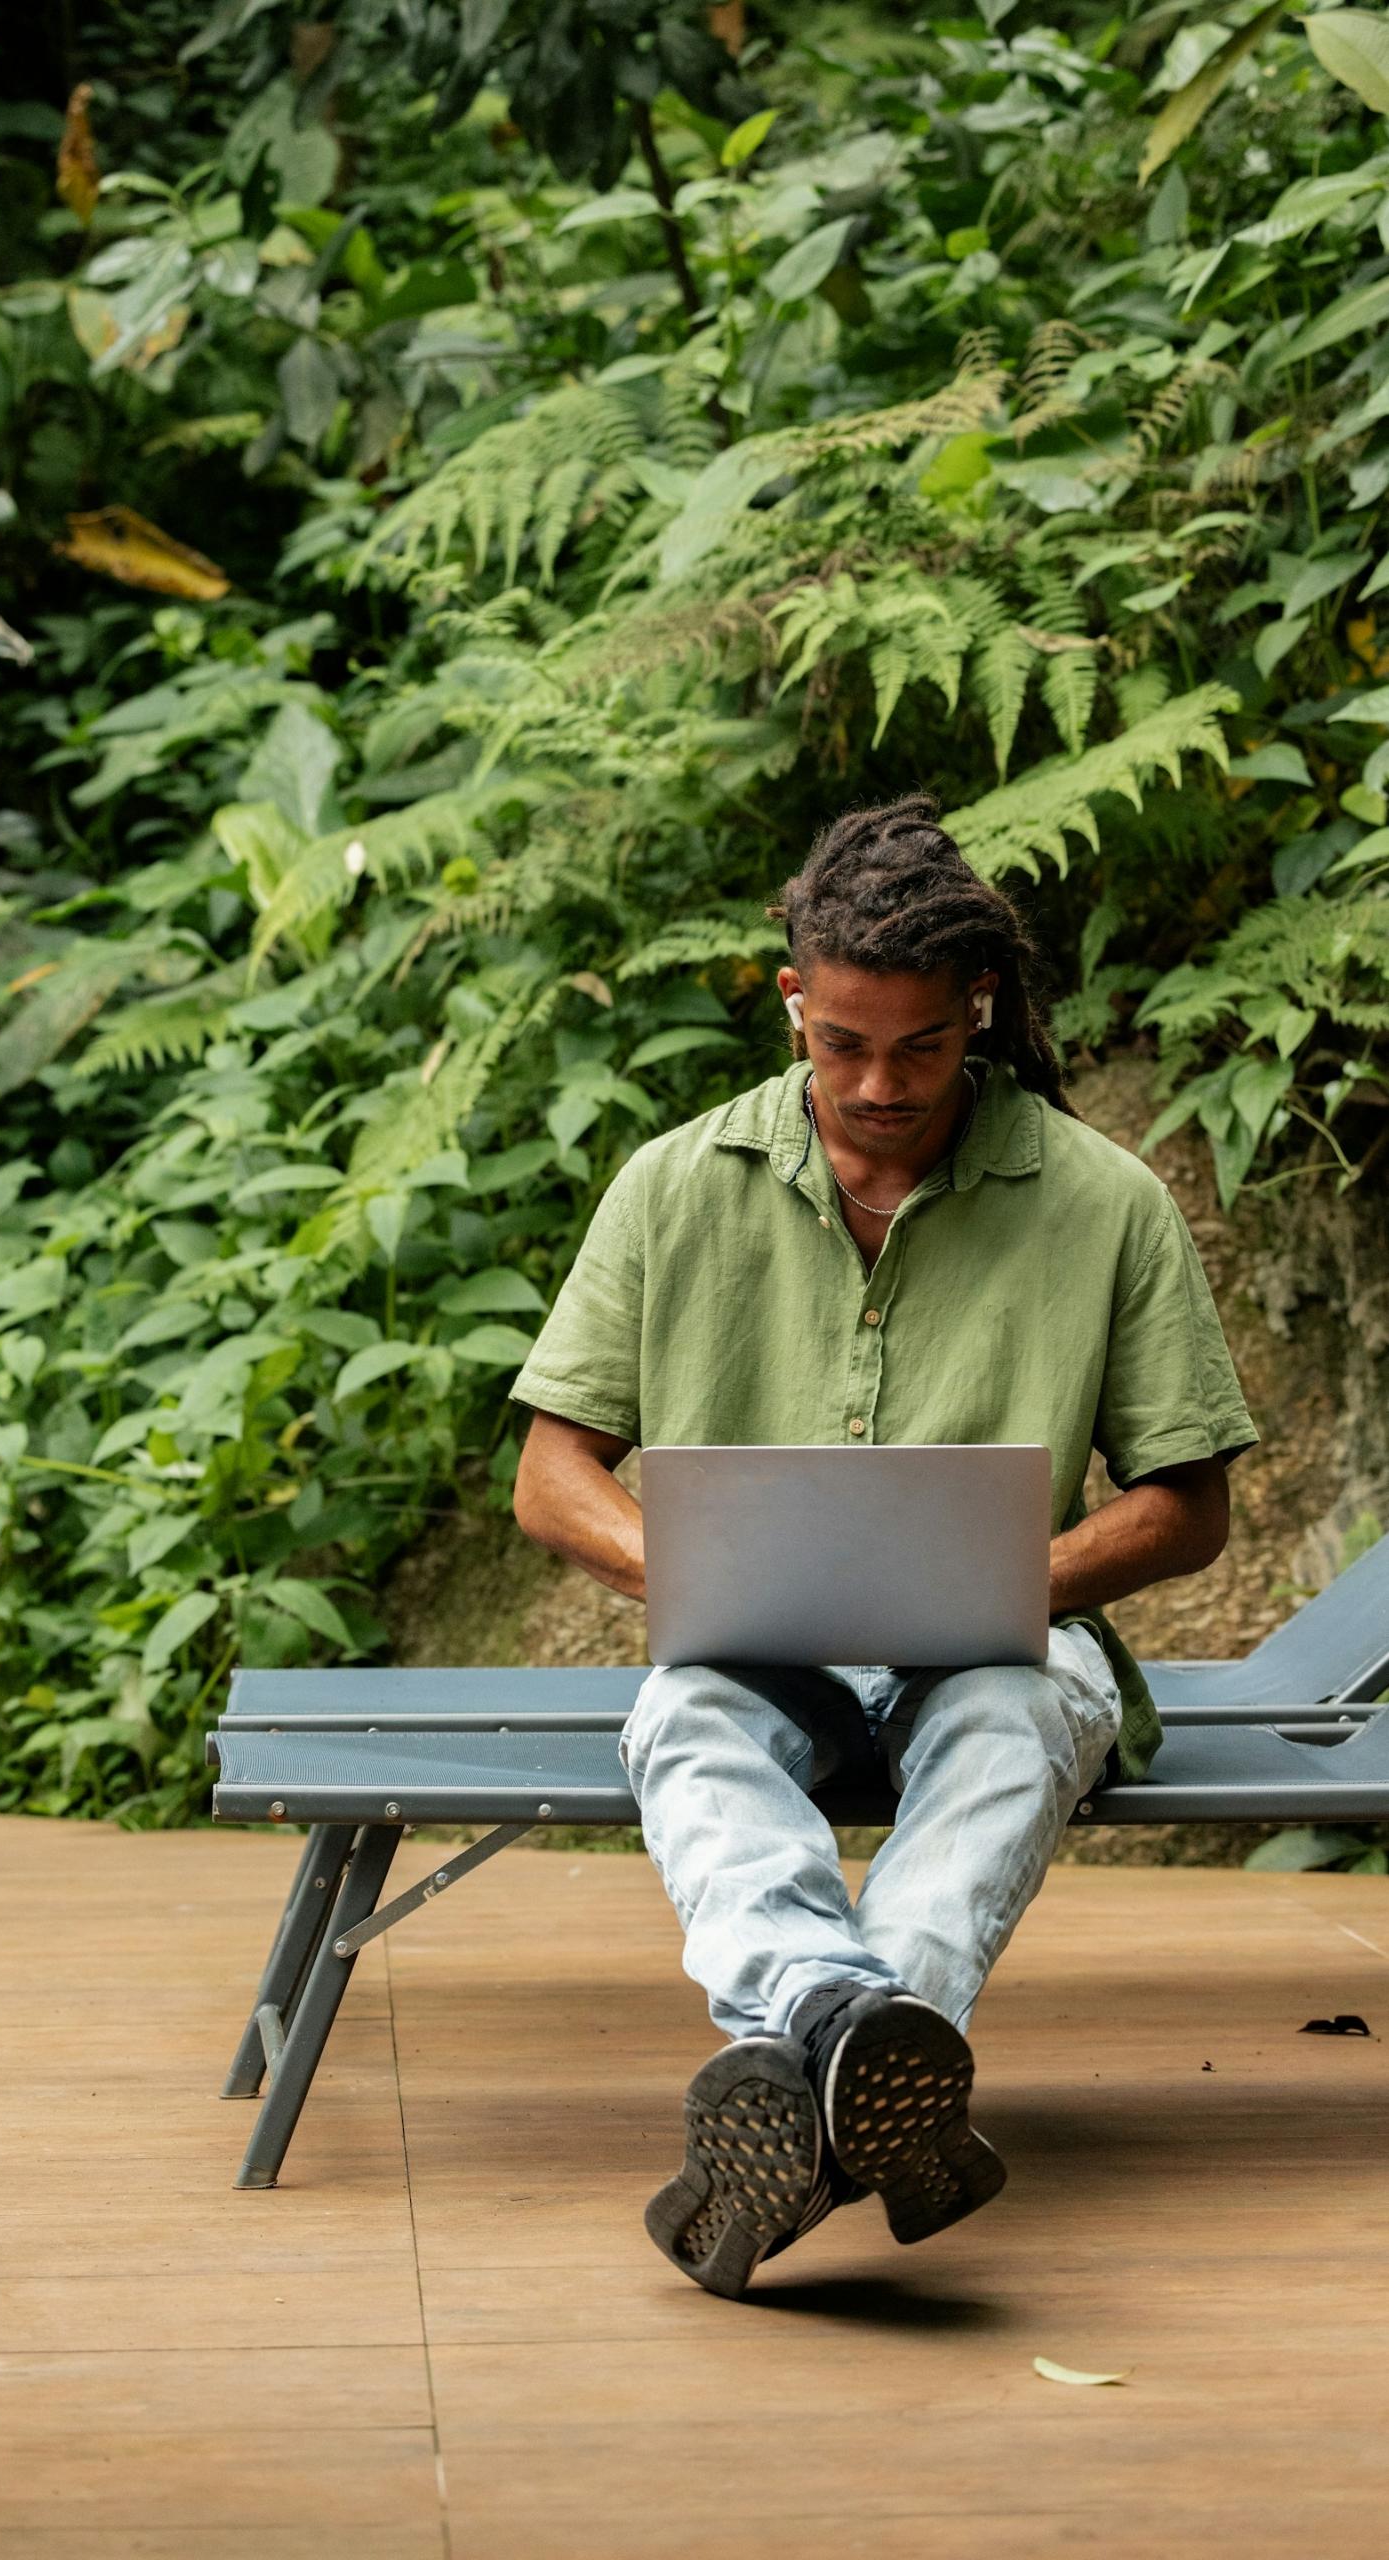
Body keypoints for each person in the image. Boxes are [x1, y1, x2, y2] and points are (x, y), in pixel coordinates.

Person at [508, 795, 1259, 2301]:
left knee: (1021, 1712)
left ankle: (805, 2058)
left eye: (920, 1046)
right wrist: (696, 1574)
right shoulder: (673, 1186)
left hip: (1001, 1645)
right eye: (842, 1041)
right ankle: (867, 2056)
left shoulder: (1103, 1202)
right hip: (751, 1648)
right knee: (686, 1717)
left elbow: (1190, 1506)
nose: (878, 1083)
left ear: (979, 1012)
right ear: (794, 1003)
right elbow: (550, 1479)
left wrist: (1004, 1584)